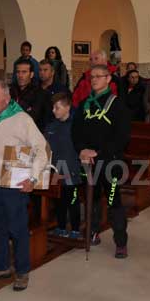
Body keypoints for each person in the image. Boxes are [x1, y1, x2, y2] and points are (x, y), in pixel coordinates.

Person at [0, 80, 48, 291]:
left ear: (7, 99)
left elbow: (42, 149)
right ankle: (0, 267)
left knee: (18, 230)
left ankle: (22, 271)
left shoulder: (22, 119)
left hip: (13, 186)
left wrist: (32, 178)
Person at [72, 65, 131, 257]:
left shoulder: (117, 105)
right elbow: (75, 131)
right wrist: (82, 149)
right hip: (88, 162)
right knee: (93, 199)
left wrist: (99, 153)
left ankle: (120, 242)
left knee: (114, 201)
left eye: (99, 76)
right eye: (92, 77)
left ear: (108, 79)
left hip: (110, 162)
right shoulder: (84, 104)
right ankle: (93, 231)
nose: (94, 80)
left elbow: (122, 136)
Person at [44, 93, 82, 239]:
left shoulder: (76, 125)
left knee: (72, 200)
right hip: (55, 170)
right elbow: (45, 147)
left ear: (67, 107)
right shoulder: (50, 126)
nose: (53, 110)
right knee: (59, 200)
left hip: (72, 169)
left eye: (57, 107)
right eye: (53, 107)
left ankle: (75, 228)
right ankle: (60, 227)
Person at [11, 59, 50, 130]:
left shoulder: (40, 94)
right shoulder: (10, 92)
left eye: (24, 72)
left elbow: (34, 118)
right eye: (18, 72)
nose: (20, 75)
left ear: (31, 74)